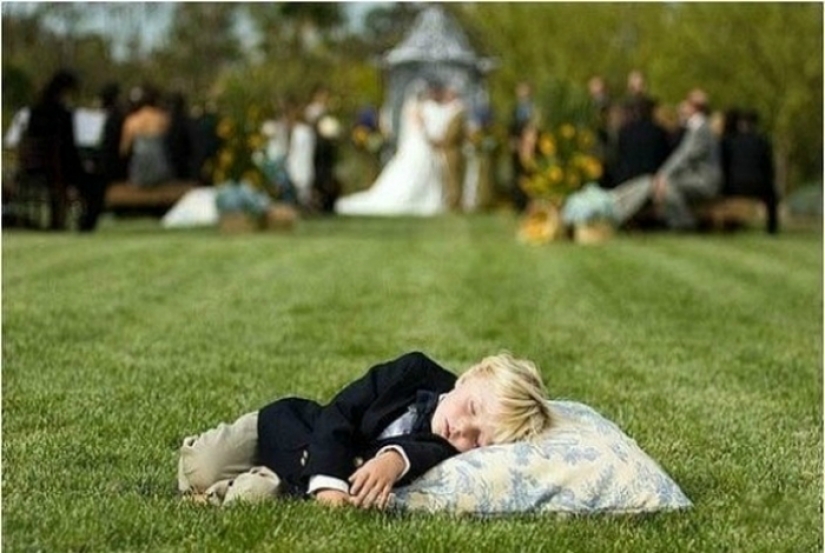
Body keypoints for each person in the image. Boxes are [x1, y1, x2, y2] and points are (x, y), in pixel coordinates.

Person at [177, 351, 555, 509]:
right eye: (471, 409)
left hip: (291, 477)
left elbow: (424, 451)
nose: (460, 430)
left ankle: (220, 493)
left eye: (478, 439)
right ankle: (214, 474)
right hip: (295, 427)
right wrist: (328, 483)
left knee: (254, 496)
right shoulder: (414, 371)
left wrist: (393, 461)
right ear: (468, 378)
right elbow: (341, 411)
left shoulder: (450, 452)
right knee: (200, 466)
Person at [609, 88, 722, 230]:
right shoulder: (698, 127)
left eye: (686, 103)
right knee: (650, 183)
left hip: (704, 181)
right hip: (695, 177)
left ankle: (684, 224)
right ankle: (615, 204)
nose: (682, 106)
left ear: (694, 107)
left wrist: (662, 175)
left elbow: (683, 157)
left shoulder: (701, 129)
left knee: (667, 188)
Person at [334, 80, 447, 217]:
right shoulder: (415, 108)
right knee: (416, 169)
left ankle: (425, 198)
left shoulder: (412, 107)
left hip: (416, 143)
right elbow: (420, 128)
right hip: (418, 143)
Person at [19, 69, 85, 230]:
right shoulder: (63, 114)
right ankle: (74, 217)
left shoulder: (35, 111)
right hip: (55, 164)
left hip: (34, 163)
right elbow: (68, 145)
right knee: (84, 175)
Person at [721, 109, 779, 234]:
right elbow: (769, 167)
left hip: (734, 184)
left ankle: (730, 224)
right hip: (759, 184)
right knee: (771, 198)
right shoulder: (763, 141)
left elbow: (725, 165)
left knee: (726, 197)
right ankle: (772, 228)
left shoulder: (729, 140)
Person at [119, 84, 173, 187]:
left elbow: (124, 150)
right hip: (162, 171)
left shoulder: (132, 120)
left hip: (139, 173)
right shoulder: (164, 119)